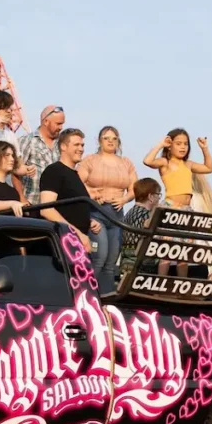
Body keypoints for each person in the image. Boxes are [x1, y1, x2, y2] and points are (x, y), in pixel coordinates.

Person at [79, 126, 138, 296]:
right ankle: (86, 293)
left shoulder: (125, 162)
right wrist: (91, 192)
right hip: (96, 211)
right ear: (99, 141)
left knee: (111, 260)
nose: (110, 141)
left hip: (117, 214)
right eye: (106, 138)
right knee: (100, 256)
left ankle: (106, 295)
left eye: (114, 138)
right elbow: (77, 181)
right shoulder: (90, 160)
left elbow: (134, 188)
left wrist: (124, 199)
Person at [38, 128, 96, 254]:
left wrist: (89, 221)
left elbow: (70, 207)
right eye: (76, 145)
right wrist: (77, 234)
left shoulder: (75, 175)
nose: (81, 149)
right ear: (63, 147)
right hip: (62, 243)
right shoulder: (54, 171)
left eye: (82, 145)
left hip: (76, 243)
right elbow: (46, 209)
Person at [142, 128, 212, 210]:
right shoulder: (166, 162)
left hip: (187, 208)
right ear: (169, 146)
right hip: (171, 206)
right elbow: (147, 161)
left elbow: (209, 168)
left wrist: (205, 148)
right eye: (178, 144)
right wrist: (161, 144)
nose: (183, 147)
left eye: (185, 144)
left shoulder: (188, 164)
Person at [17, 105, 64, 206]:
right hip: (32, 204)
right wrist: (21, 198)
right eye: (58, 124)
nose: (61, 127)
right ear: (46, 121)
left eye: (62, 124)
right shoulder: (27, 141)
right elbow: (15, 172)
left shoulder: (62, 144)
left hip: (55, 206)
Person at [119, 177, 163, 279]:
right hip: (142, 268)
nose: (159, 198)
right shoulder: (146, 215)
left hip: (125, 265)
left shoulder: (130, 212)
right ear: (151, 196)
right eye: (158, 195)